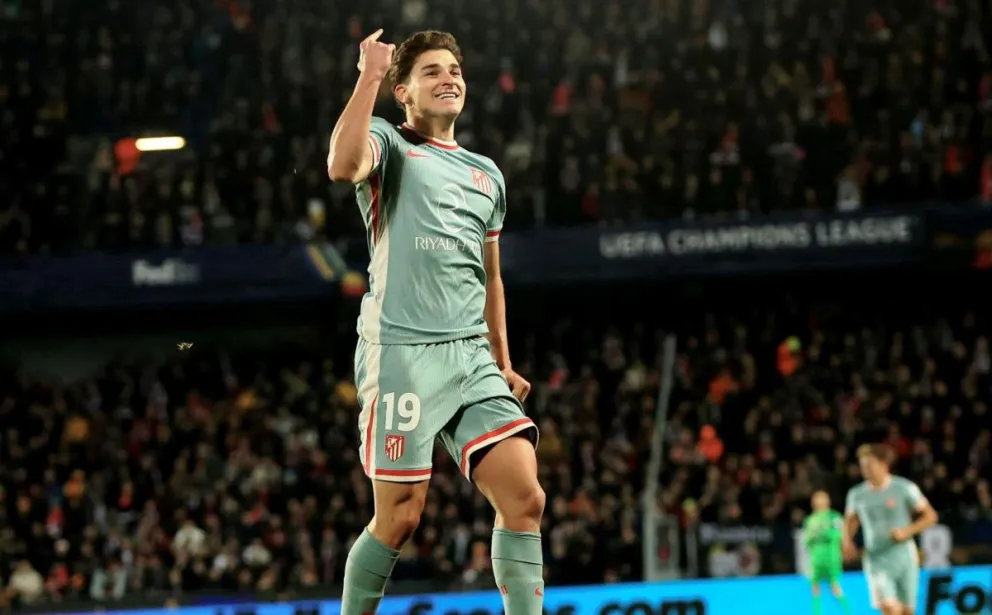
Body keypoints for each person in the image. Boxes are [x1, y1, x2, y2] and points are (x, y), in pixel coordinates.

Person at [327, 29, 544, 615]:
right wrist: (367, 76)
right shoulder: (388, 144)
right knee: (400, 517)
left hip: (471, 354)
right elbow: (340, 164)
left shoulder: (487, 174)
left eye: (454, 69)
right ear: (404, 91)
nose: (449, 77)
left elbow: (490, 276)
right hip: (402, 353)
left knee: (524, 497)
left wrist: (501, 357)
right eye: (430, 71)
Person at [843, 444, 939, 615]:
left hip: (905, 557)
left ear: (883, 464)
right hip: (876, 559)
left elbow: (931, 516)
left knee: (907, 611)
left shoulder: (904, 488)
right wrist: (847, 542)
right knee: (890, 608)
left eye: (869, 465)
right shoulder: (856, 494)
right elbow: (850, 521)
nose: (865, 470)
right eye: (862, 466)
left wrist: (907, 532)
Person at [803, 490, 852, 615]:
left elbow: (840, 534)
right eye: (817, 499)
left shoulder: (834, 517)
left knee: (835, 587)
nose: (819, 502)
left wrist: (825, 533)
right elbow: (806, 540)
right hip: (816, 558)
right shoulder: (809, 520)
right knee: (815, 587)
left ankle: (848, 612)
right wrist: (812, 538)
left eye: (822, 499)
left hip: (831, 557)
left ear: (827, 501)